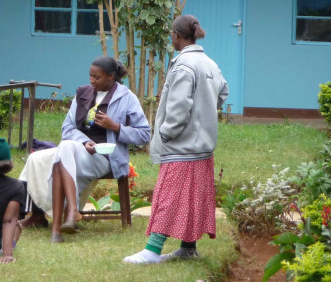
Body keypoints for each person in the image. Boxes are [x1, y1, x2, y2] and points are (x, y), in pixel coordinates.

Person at [124, 14, 228, 264]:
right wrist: (204, 113)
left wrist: (165, 132)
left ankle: (152, 250)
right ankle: (188, 247)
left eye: (172, 33)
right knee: (192, 198)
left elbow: (179, 107)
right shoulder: (209, 63)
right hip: (202, 147)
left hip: (181, 145)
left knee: (168, 197)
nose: (171, 37)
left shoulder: (183, 65)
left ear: (177, 36)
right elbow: (223, 92)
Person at [20, 56, 151, 243]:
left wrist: (115, 127)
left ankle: (63, 221)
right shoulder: (83, 94)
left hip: (105, 158)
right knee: (38, 157)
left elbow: (144, 135)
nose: (91, 81)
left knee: (63, 152)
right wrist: (84, 142)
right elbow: (67, 128)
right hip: (78, 150)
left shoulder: (127, 98)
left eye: (96, 77)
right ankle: (47, 216)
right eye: (90, 76)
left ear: (111, 77)